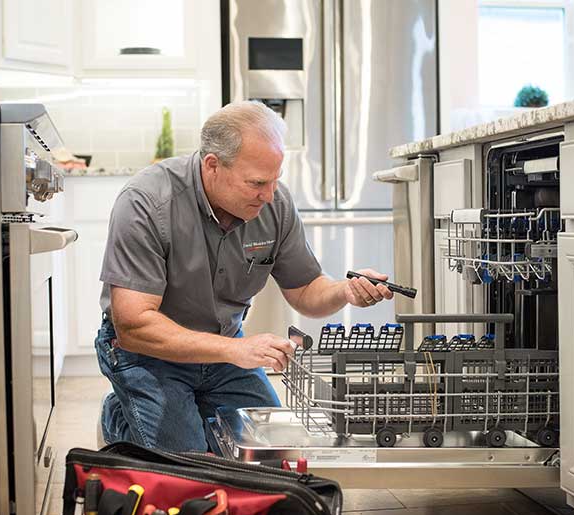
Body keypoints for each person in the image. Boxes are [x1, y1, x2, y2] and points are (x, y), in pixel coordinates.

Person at [95, 100, 393, 452]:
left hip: (225, 352)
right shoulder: (146, 202)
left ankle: (186, 415)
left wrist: (345, 291)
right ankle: (119, 414)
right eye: (256, 183)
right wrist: (236, 349)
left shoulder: (274, 204)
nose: (269, 195)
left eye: (275, 181)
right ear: (212, 166)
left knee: (270, 451)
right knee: (189, 468)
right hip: (150, 354)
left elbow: (306, 290)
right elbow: (134, 325)